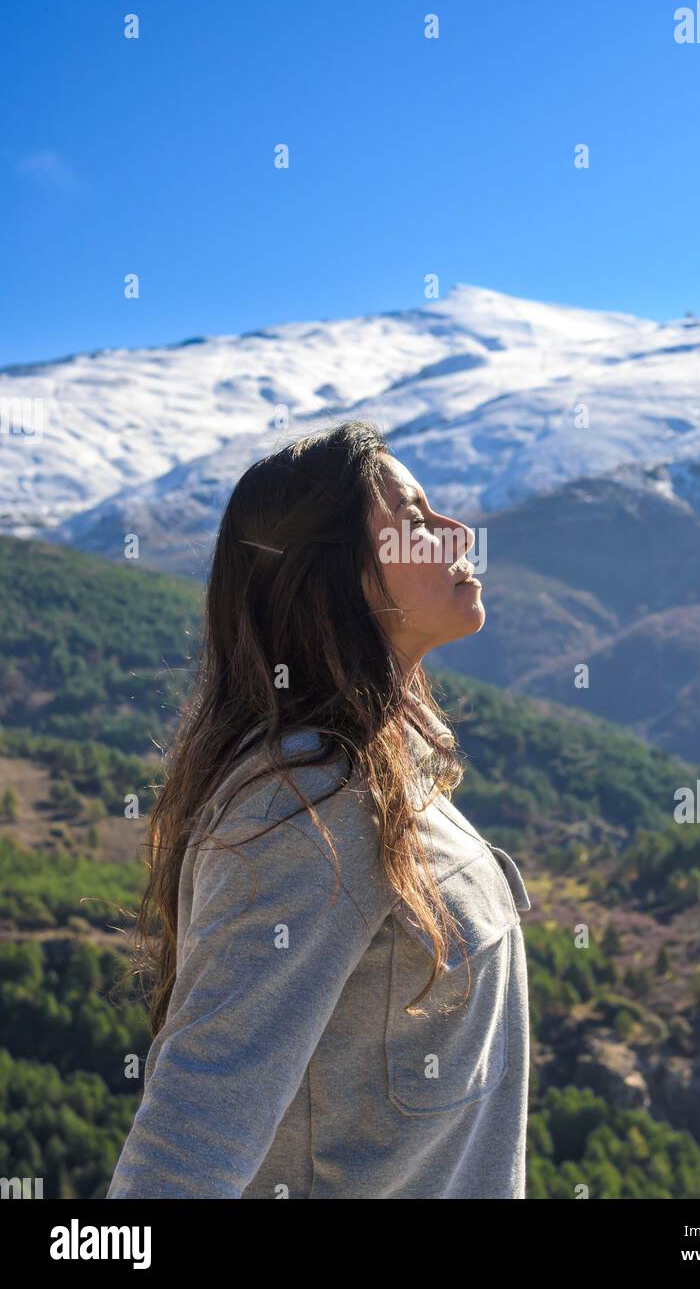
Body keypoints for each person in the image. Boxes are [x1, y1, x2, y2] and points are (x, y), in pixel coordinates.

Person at [107, 419, 531, 1199]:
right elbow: (194, 1125)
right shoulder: (307, 804)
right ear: (331, 575)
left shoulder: (384, 769)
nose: (456, 531)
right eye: (412, 521)